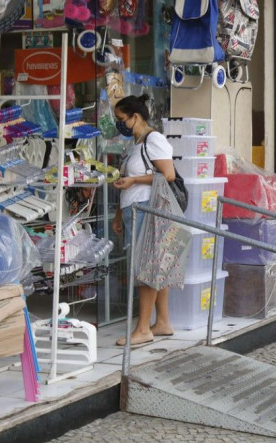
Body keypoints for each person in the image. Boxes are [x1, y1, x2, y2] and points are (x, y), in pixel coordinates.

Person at [111, 94, 177, 346]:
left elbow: (168, 174)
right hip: (133, 209)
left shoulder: (154, 139)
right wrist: (119, 212)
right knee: (153, 265)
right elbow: (126, 181)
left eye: (121, 119)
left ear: (135, 117)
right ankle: (162, 322)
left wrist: (134, 180)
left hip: (147, 208)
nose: (119, 123)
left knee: (145, 268)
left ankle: (142, 329)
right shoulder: (136, 144)